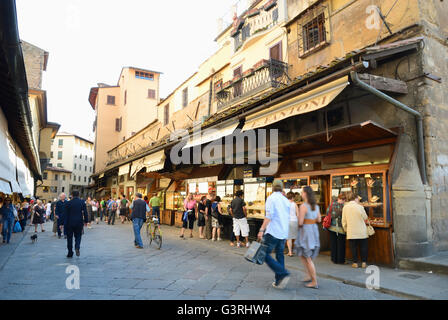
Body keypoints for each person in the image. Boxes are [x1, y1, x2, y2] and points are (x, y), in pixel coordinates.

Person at [257, 180, 291, 289]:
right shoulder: (286, 200)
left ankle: (282, 272)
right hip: (283, 232)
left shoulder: (271, 198)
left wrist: (262, 229)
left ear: (272, 188)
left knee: (264, 254)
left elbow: (269, 216)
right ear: (281, 188)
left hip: (273, 231)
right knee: (279, 255)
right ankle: (278, 281)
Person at [296, 186, 321, 289]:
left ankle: (314, 281)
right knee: (302, 255)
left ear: (305, 193)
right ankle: (308, 275)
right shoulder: (315, 205)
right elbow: (319, 219)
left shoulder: (303, 206)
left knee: (307, 257)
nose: (301, 194)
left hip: (305, 232)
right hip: (313, 230)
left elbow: (300, 222)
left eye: (302, 192)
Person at [342, 192, 369, 269]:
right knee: (363, 247)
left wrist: (346, 229)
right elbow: (365, 217)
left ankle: (355, 263)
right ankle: (364, 263)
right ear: (356, 198)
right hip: (361, 231)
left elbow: (344, 221)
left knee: (353, 247)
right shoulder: (360, 207)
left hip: (351, 231)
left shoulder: (345, 207)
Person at [64, 191, 89, 258]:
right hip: (79, 222)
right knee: (78, 236)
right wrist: (86, 221)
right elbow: (85, 212)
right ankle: (77, 247)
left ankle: (70, 252)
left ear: (72, 195)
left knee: (69, 238)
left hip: (69, 223)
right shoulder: (82, 202)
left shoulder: (68, 203)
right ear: (78, 195)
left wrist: (63, 224)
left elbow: (65, 215)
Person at [327, 193, 347, 264]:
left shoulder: (331, 204)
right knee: (341, 244)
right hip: (340, 228)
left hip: (331, 227)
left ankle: (334, 259)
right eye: (344, 200)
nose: (344, 201)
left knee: (333, 243)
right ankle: (340, 260)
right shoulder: (343, 206)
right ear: (343, 199)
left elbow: (327, 213)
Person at [286, 192, 299, 257]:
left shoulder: (285, 204)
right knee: (296, 236)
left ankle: (290, 252)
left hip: (287, 221)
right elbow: (298, 214)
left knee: (289, 238)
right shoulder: (295, 204)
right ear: (293, 197)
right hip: (294, 221)